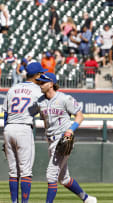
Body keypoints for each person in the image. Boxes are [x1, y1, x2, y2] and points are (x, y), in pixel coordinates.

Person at [35, 72, 97, 203]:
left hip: (63, 139)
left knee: (51, 175)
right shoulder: (40, 102)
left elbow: (80, 116)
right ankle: (87, 199)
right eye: (39, 82)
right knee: (64, 179)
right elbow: (45, 122)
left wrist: (70, 130)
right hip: (50, 141)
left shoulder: (64, 98)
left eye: (42, 82)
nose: (40, 84)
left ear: (51, 84)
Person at [3, 62, 48, 203]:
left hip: (9, 128)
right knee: (26, 172)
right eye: (41, 73)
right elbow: (44, 111)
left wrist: (5, 134)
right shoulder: (38, 90)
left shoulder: (13, 88)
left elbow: (5, 114)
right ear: (37, 75)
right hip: (23, 128)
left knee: (13, 171)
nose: (42, 75)